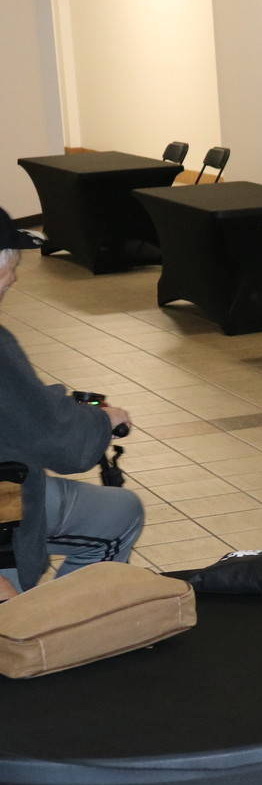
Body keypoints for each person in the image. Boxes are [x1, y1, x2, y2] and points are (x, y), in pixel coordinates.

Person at [0, 212, 143, 599]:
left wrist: (52, 403)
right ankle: (60, 623)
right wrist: (101, 422)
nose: (14, 278)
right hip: (4, 508)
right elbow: (62, 446)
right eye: (11, 264)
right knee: (117, 517)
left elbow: (17, 406)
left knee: (118, 510)